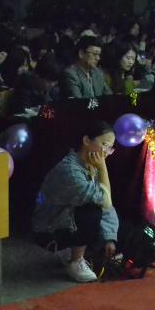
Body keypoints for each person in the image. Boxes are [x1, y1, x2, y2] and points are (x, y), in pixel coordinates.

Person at [31, 120, 119, 283]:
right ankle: (75, 261)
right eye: (104, 145)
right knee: (92, 212)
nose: (106, 152)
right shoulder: (71, 172)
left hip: (68, 219)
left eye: (110, 148)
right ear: (86, 141)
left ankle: (88, 250)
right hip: (48, 230)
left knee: (120, 230)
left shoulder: (90, 165)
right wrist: (103, 168)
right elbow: (104, 201)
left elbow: (108, 206)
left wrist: (110, 237)